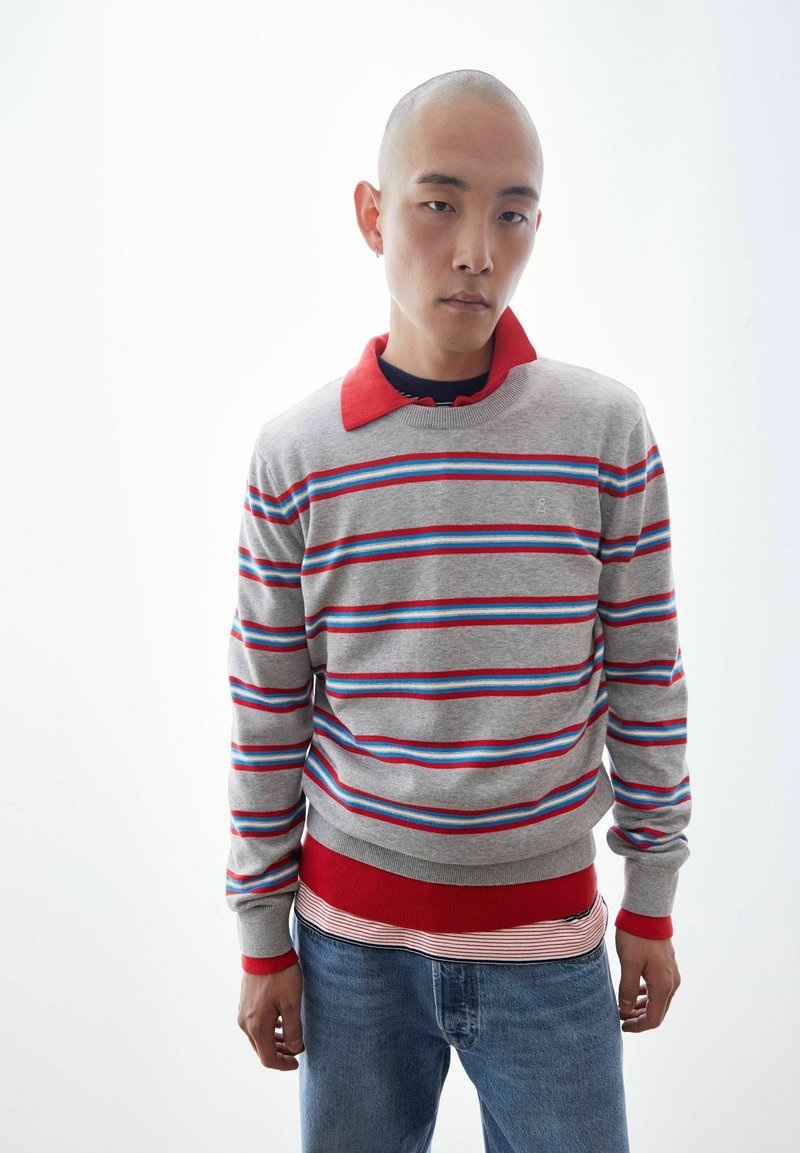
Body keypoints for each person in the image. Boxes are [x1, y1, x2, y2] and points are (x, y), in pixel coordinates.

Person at [227, 68, 691, 1153]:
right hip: (347, 949)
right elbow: (267, 707)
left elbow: (647, 675)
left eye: (512, 213)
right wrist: (260, 932)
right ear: (372, 214)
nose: (477, 249)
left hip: (547, 943)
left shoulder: (603, 433)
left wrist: (653, 894)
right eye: (439, 203)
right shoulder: (297, 456)